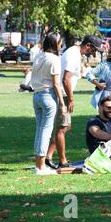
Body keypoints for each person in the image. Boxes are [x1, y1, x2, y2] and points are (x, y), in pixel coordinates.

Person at [45, 35, 103, 169]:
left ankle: (48, 156)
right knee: (62, 128)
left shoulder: (75, 53)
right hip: (63, 95)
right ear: (88, 46)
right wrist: (70, 99)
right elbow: (66, 79)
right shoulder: (73, 55)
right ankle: (63, 162)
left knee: (65, 127)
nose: (94, 53)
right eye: (94, 50)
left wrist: (95, 82)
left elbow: (80, 73)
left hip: (63, 94)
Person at [31, 32, 67, 175]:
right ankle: (40, 167)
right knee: (45, 131)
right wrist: (63, 104)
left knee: (40, 130)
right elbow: (56, 84)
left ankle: (38, 164)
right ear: (55, 44)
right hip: (48, 96)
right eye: (59, 42)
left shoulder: (39, 56)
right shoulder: (54, 59)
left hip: (37, 95)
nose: (61, 44)